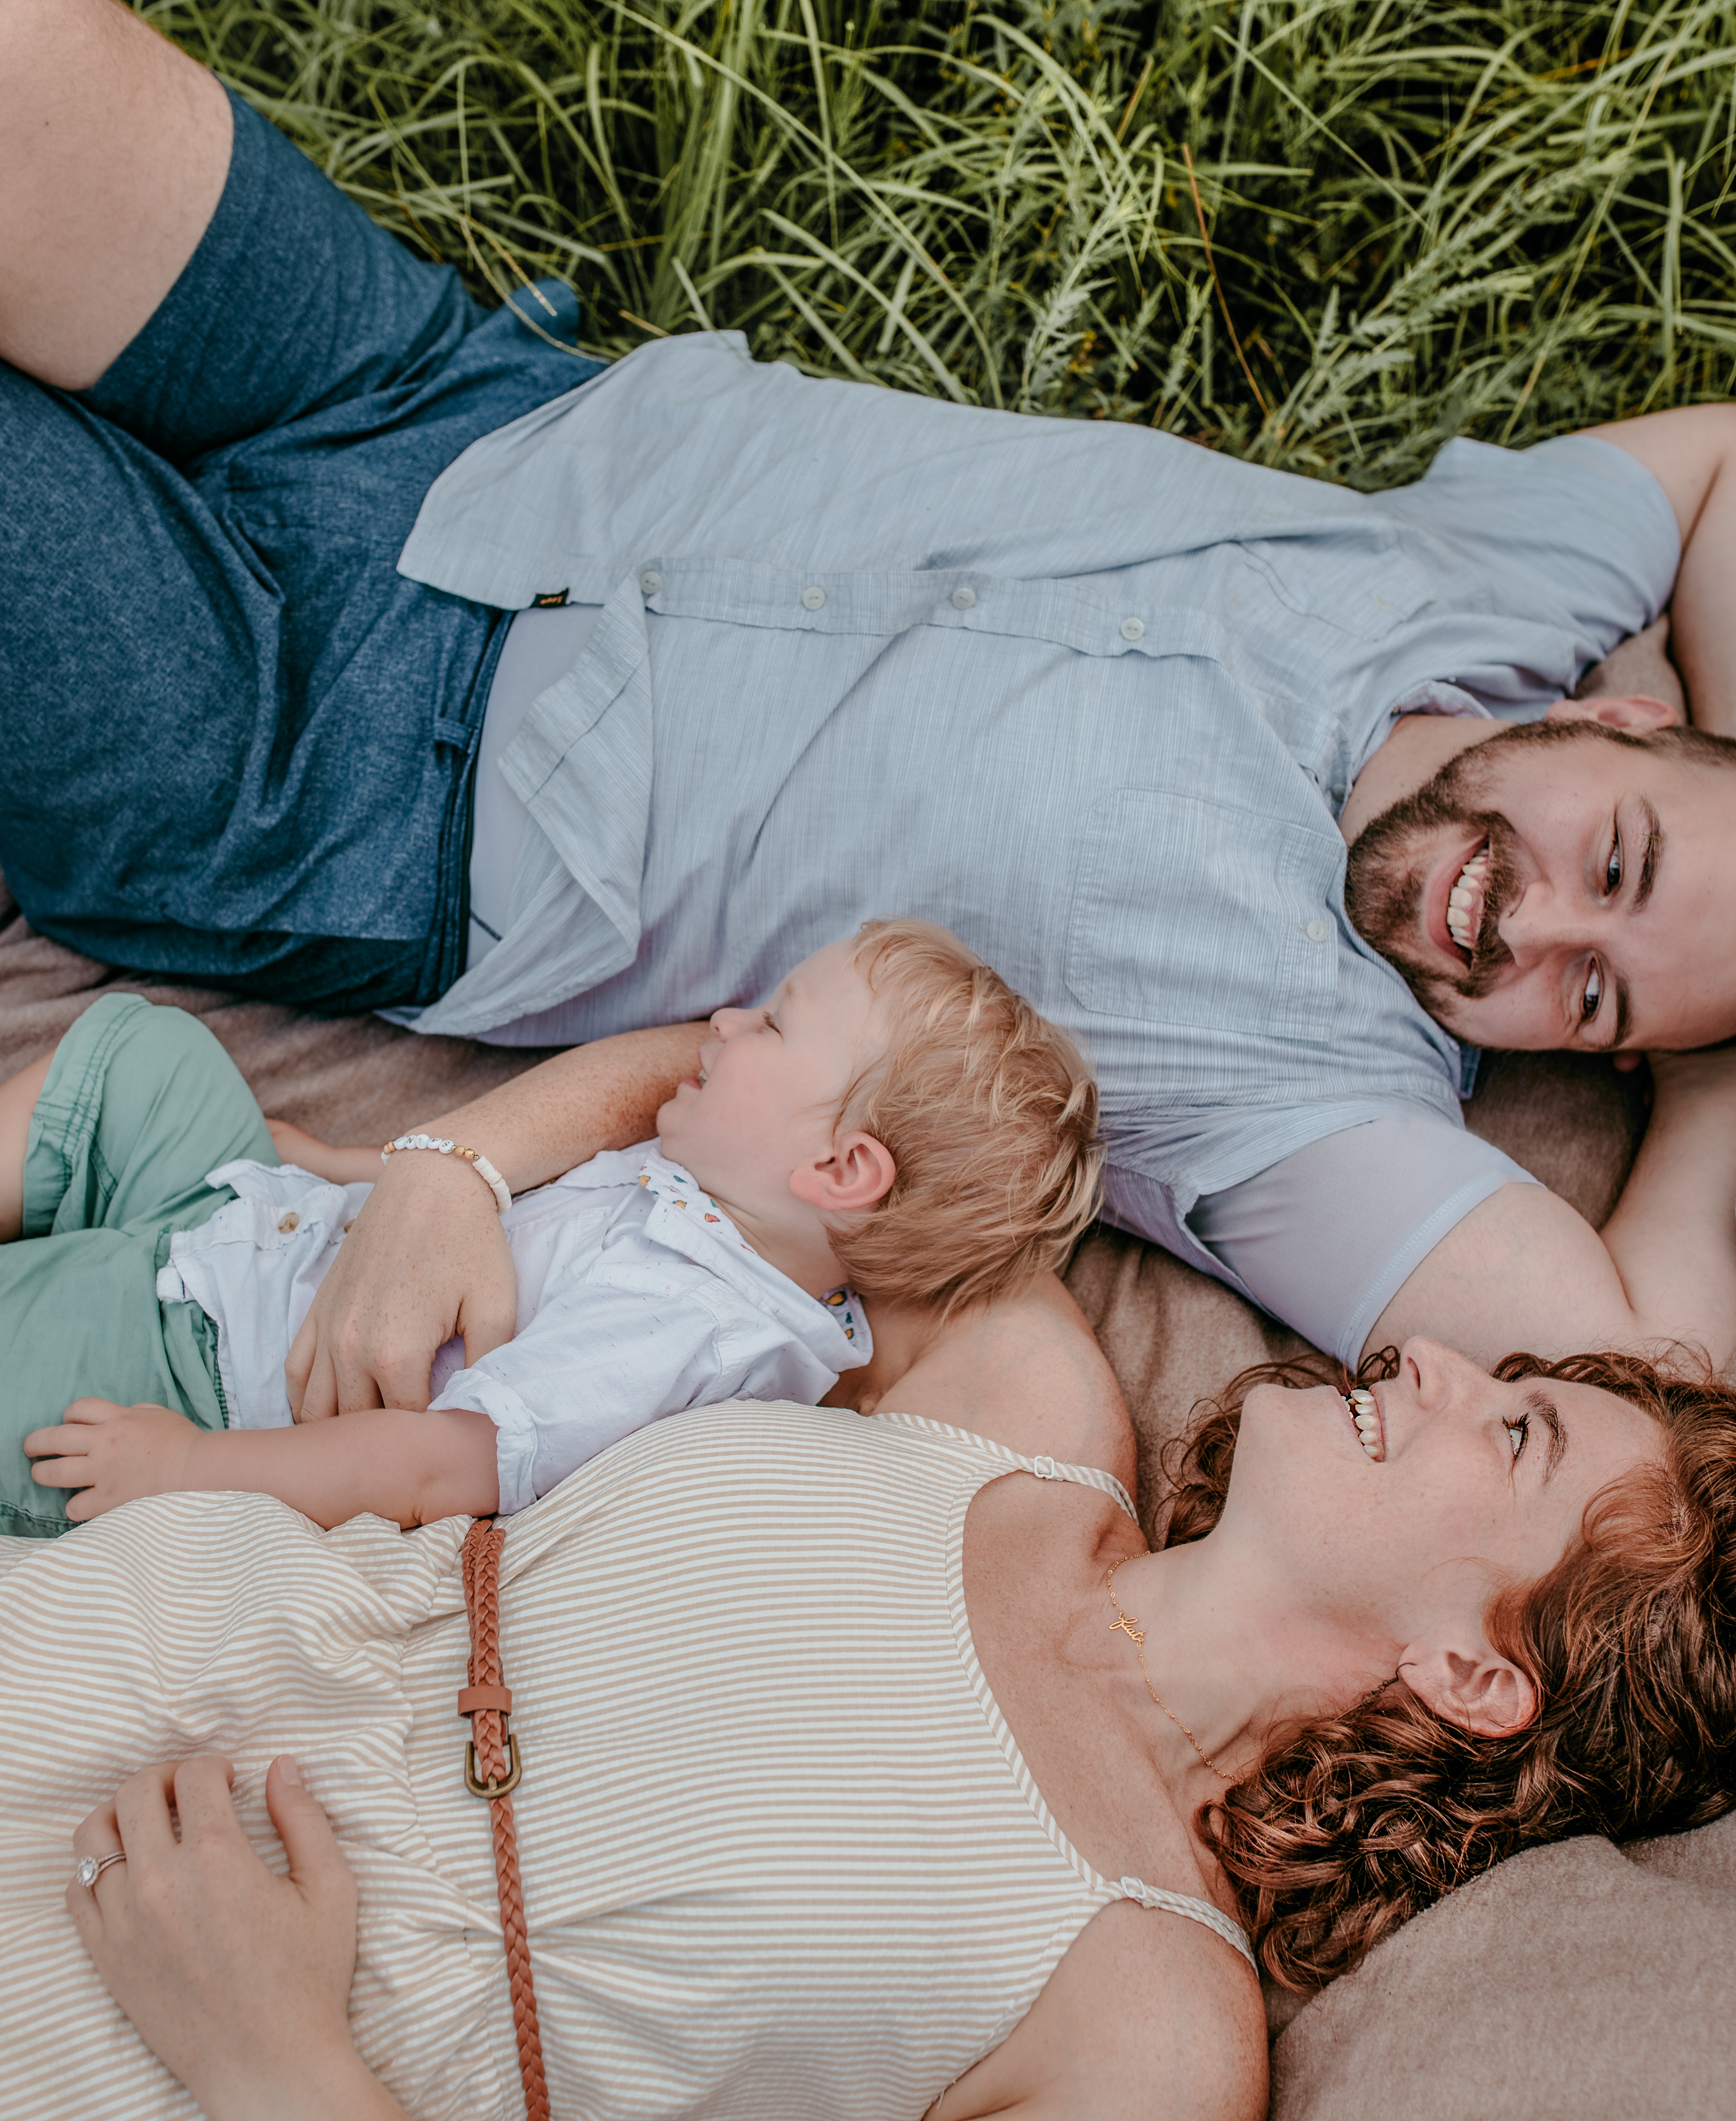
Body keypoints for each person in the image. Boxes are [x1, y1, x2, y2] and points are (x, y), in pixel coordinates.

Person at [9, 3, 1736, 1416]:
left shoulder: (1312, 1106)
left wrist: (1716, 1059)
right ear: (1630, 725)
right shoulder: (1487, 588)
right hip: (460, 410)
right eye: (1622, 860)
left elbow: (1641, 1381)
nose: (1520, 926)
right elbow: (1719, 455)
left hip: (351, 783)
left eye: (1589, 998)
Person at [6, 1296, 1735, 2121]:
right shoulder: (1014, 1387)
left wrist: (281, 2069)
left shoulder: (1145, 2047)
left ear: (1474, 1673)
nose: (1427, 1354)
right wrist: (453, 1175)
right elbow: (791, 1059)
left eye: (1510, 1431)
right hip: (112, 1659)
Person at [2, 923, 1099, 1535]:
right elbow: (514, 1213)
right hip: (266, 1235)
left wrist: (190, 1466)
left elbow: (442, 1467)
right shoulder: (715, 1191)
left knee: (44, 1357)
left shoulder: (691, 1327)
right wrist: (353, 1169)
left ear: (838, 1168)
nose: (719, 1023)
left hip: (208, 1368)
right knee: (148, 1057)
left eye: (770, 1022)